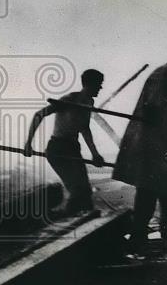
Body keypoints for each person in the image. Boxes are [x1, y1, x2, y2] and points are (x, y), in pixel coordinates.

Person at [113, 41, 167, 251]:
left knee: (165, 185)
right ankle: (138, 235)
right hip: (150, 143)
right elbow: (155, 108)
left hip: (160, 142)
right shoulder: (164, 75)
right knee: (149, 189)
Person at [24, 69, 107, 216]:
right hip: (58, 148)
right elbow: (39, 115)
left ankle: (89, 224)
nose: (101, 88)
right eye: (99, 84)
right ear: (90, 84)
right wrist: (28, 143)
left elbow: (85, 129)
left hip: (73, 148)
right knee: (77, 190)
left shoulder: (89, 102)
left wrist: (95, 154)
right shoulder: (69, 99)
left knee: (85, 190)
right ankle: (67, 222)